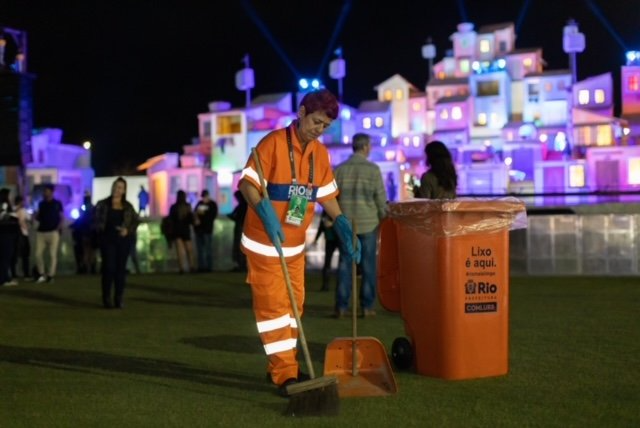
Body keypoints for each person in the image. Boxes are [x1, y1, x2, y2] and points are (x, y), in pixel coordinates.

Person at [238, 89, 360, 397]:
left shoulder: (319, 154)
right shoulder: (273, 143)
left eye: (325, 126)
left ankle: (284, 367)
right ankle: (284, 374)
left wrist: (342, 223)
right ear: (302, 112)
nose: (319, 129)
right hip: (265, 245)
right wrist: (262, 208)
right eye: (316, 122)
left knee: (294, 309)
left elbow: (326, 195)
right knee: (275, 311)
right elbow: (247, 183)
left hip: (294, 248)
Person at [334, 133, 388, 318]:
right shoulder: (373, 170)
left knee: (345, 265)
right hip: (368, 224)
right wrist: (383, 218)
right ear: (365, 147)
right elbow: (381, 200)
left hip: (346, 224)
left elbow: (332, 197)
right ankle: (367, 307)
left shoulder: (339, 170)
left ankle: (341, 307)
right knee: (368, 267)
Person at [94, 177, 139, 308]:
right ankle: (106, 297)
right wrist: (100, 231)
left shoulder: (128, 206)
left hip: (123, 241)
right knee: (108, 268)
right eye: (115, 186)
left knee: (120, 270)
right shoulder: (102, 204)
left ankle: (118, 298)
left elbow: (135, 221)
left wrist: (127, 230)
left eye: (120, 187)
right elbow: (95, 220)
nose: (116, 189)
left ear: (124, 190)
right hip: (107, 240)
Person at [34, 184, 63, 283]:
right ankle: (41, 274)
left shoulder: (57, 203)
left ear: (51, 192)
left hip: (53, 231)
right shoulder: (41, 204)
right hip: (41, 231)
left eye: (46, 191)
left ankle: (51, 275)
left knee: (52, 255)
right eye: (44, 191)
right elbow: (38, 216)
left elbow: (61, 216)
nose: (45, 193)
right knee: (38, 254)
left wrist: (58, 228)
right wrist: (35, 216)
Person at [169, 190, 196, 273]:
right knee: (189, 250)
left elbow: (171, 220)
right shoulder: (187, 206)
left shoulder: (174, 207)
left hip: (177, 230)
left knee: (180, 251)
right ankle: (191, 266)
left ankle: (182, 268)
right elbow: (191, 218)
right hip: (185, 230)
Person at [313, 210, 339, 291]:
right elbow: (321, 226)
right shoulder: (325, 212)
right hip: (330, 239)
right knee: (327, 264)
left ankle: (341, 287)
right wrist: (316, 239)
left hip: (339, 239)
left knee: (343, 264)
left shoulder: (337, 209)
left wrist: (332, 224)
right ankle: (325, 286)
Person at [194, 189, 218, 272]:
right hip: (200, 230)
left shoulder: (212, 204)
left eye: (205, 196)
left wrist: (202, 214)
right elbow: (196, 214)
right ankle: (202, 267)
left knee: (207, 250)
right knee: (201, 250)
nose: (204, 198)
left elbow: (211, 216)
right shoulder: (200, 204)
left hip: (207, 230)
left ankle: (208, 267)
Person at [0, 188, 19, 286]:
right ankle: (4, 279)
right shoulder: (4, 204)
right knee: (6, 256)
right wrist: (13, 216)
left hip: (4, 233)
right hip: (6, 233)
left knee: (4, 257)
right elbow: (3, 216)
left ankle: (5, 277)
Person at [11, 195, 31, 279]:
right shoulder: (22, 210)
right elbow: (29, 219)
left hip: (15, 234)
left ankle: (14, 273)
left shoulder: (12, 210)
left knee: (14, 255)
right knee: (25, 255)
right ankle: (25, 273)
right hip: (22, 233)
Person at [228, 190, 248, 272]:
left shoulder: (241, 206)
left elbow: (235, 216)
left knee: (239, 246)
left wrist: (230, 216)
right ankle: (242, 264)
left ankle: (241, 264)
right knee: (242, 247)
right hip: (244, 228)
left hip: (240, 228)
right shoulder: (245, 206)